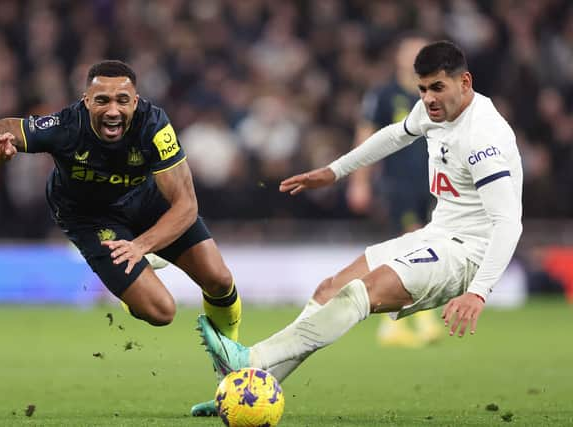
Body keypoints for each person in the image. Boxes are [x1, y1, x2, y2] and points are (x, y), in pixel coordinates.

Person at [196, 41, 523, 386]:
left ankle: (251, 359)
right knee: (329, 290)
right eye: (423, 89)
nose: (428, 99)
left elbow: (508, 223)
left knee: (359, 292)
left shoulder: (482, 139)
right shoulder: (433, 112)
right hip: (435, 234)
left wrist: (478, 291)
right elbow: (395, 135)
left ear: (465, 82)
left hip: (466, 253)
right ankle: (246, 387)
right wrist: (334, 171)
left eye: (437, 88)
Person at [0, 60, 239, 416]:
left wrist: (140, 246)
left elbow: (186, 206)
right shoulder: (63, 126)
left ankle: (231, 369)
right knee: (161, 312)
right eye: (102, 100)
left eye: (122, 100)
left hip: (146, 203)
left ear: (136, 102)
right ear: (86, 101)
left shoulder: (154, 124)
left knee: (219, 279)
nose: (113, 110)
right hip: (90, 218)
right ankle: (133, 294)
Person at [349, 35, 442, 348]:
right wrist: (359, 181)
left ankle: (393, 326)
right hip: (397, 182)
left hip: (434, 183)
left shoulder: (440, 95)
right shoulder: (385, 94)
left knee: (427, 246)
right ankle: (420, 320)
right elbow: (367, 136)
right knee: (414, 244)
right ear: (399, 58)